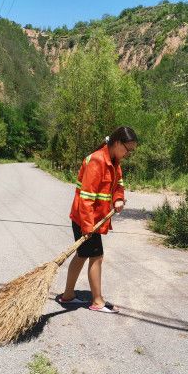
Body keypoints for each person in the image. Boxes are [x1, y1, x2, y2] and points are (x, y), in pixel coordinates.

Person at [56, 126, 138, 313]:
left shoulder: (114, 162)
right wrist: (87, 227)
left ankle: (68, 296)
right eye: (128, 149)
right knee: (96, 256)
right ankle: (97, 301)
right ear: (117, 143)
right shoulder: (97, 160)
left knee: (83, 255)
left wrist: (117, 199)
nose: (128, 153)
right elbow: (86, 198)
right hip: (85, 219)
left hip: (93, 220)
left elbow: (118, 185)